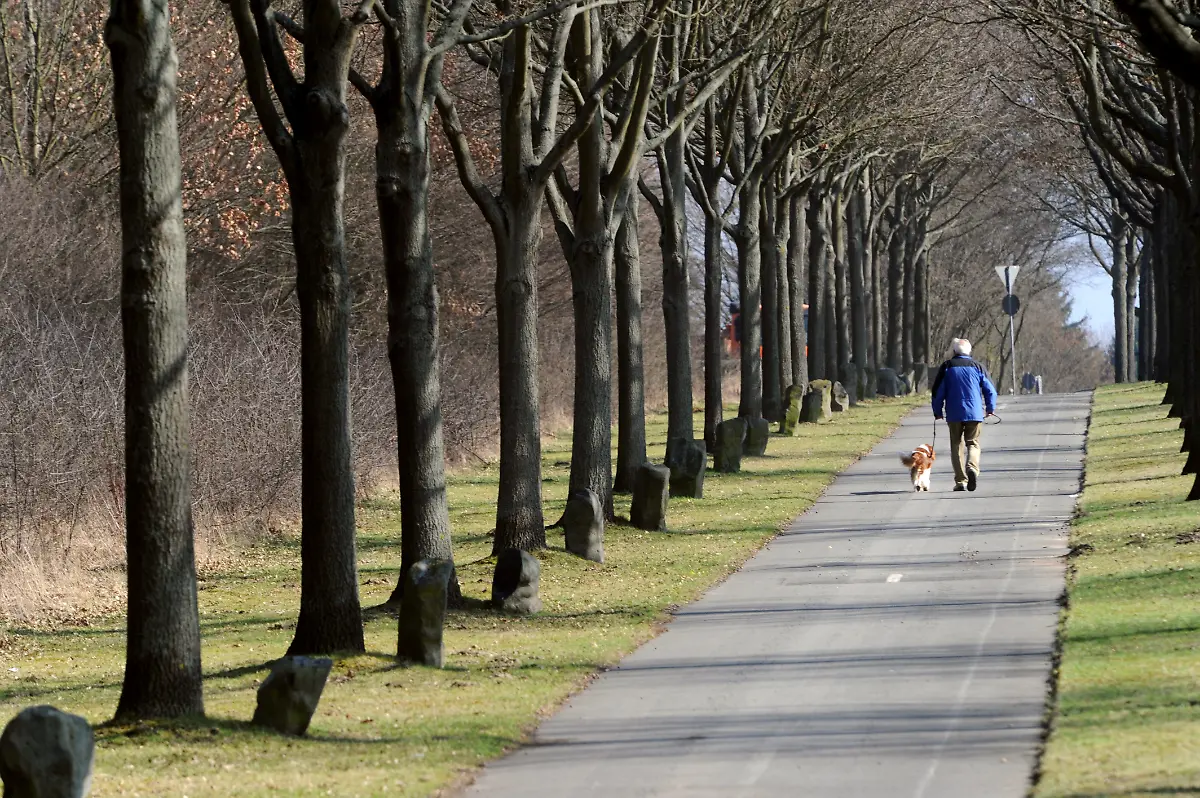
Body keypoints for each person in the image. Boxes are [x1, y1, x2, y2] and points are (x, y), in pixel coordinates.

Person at [931, 338, 998, 492]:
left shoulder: (947, 367)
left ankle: (961, 481)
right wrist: (990, 408)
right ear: (969, 352)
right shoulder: (978, 366)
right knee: (973, 443)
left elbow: (937, 392)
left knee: (956, 445)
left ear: (954, 352)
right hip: (974, 413)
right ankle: (972, 468)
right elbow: (990, 390)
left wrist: (937, 411)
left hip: (954, 413)